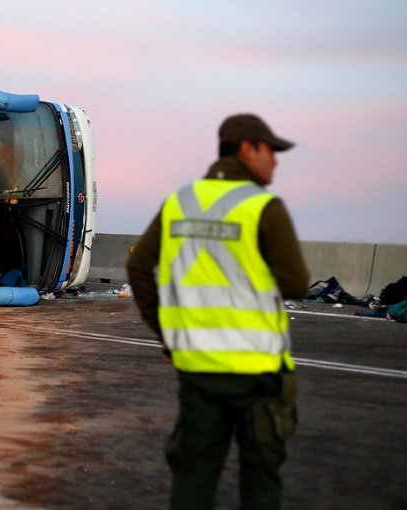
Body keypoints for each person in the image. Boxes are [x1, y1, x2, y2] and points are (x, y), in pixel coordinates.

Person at [126, 113, 309, 509]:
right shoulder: (263, 206)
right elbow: (296, 284)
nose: (275, 161)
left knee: (193, 476)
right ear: (247, 148)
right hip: (256, 372)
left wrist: (166, 333)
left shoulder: (180, 202)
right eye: (270, 151)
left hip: (198, 370)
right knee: (260, 480)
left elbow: (139, 267)